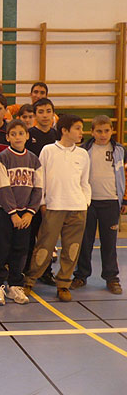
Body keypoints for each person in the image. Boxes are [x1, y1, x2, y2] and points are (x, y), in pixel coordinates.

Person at [23, 114, 91, 302]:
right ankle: (30, 280)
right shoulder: (48, 151)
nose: (81, 132)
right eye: (77, 128)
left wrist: (85, 202)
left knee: (72, 249)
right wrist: (42, 203)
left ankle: (63, 284)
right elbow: (40, 179)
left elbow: (85, 182)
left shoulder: (83, 154)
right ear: (65, 130)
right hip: (54, 207)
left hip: (77, 209)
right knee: (44, 247)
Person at [0, 120, 43, 306]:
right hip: (6, 213)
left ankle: (15, 284)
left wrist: (30, 213)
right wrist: (13, 213)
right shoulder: (3, 157)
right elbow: (2, 188)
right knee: (2, 249)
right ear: (7, 137)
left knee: (20, 250)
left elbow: (38, 188)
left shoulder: (34, 160)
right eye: (13, 134)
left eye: (21, 133)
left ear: (27, 136)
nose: (17, 137)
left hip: (25, 215)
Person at [72, 115, 125, 295]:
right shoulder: (83, 151)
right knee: (85, 241)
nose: (103, 135)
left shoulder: (119, 150)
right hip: (88, 202)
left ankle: (112, 278)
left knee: (109, 242)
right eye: (99, 131)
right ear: (92, 132)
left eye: (107, 131)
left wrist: (124, 199)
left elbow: (124, 175)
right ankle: (81, 275)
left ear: (112, 131)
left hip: (110, 201)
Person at [25, 97, 59, 285]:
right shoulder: (28, 135)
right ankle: (26, 271)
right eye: (40, 112)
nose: (45, 115)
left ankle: (45, 271)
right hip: (31, 193)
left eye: (48, 111)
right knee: (29, 236)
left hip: (52, 193)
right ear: (35, 115)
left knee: (47, 237)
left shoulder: (57, 135)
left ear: (53, 114)